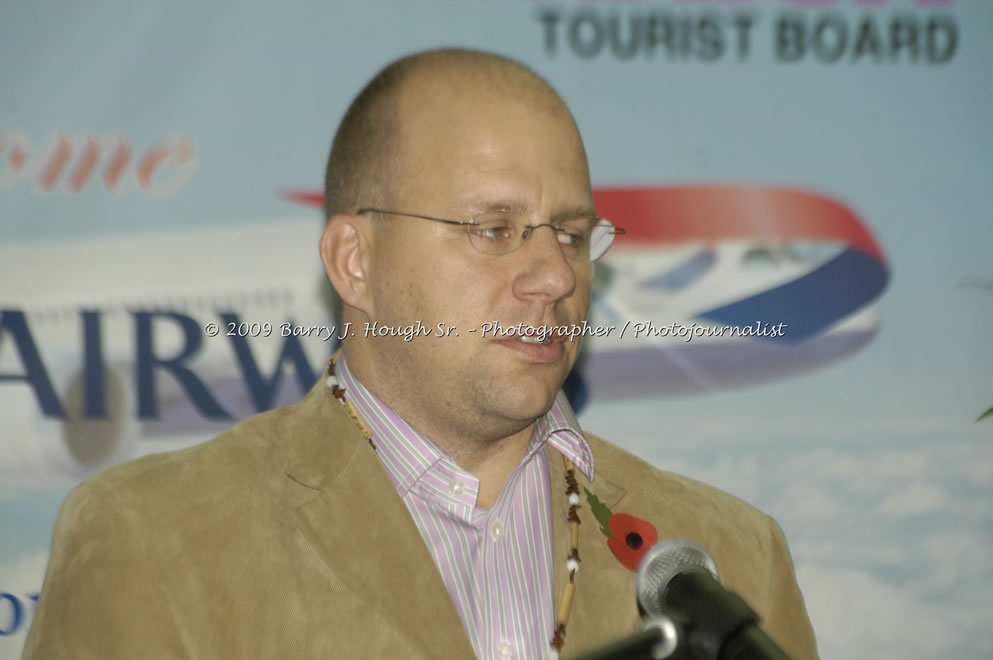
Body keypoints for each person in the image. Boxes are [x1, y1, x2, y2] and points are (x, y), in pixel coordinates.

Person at [23, 48, 818, 659]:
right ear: (354, 262)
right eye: (492, 230)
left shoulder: (728, 559)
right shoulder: (151, 539)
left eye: (572, 235)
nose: (552, 275)